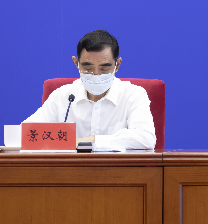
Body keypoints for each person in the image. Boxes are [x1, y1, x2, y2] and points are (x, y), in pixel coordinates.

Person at [23, 30, 156, 150]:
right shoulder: (62, 96)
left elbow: (146, 138)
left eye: (104, 69)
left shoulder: (133, 95)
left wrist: (90, 141)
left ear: (117, 65)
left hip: (117, 169)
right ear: (76, 63)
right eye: (88, 68)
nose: (96, 74)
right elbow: (27, 133)